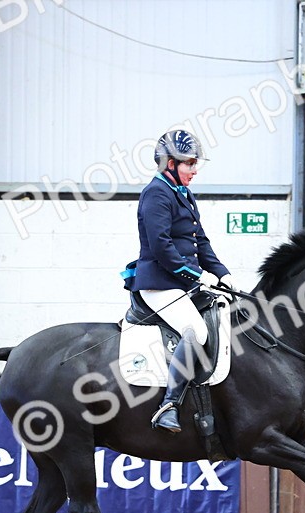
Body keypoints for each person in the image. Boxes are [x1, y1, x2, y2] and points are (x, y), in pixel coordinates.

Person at [128, 129, 238, 433]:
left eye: (194, 162)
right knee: (197, 330)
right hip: (159, 284)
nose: (194, 168)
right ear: (169, 164)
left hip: (182, 283)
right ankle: (169, 405)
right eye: (189, 163)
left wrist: (222, 272)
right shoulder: (156, 192)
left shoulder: (183, 194)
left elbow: (199, 241)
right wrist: (197, 275)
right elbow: (162, 245)